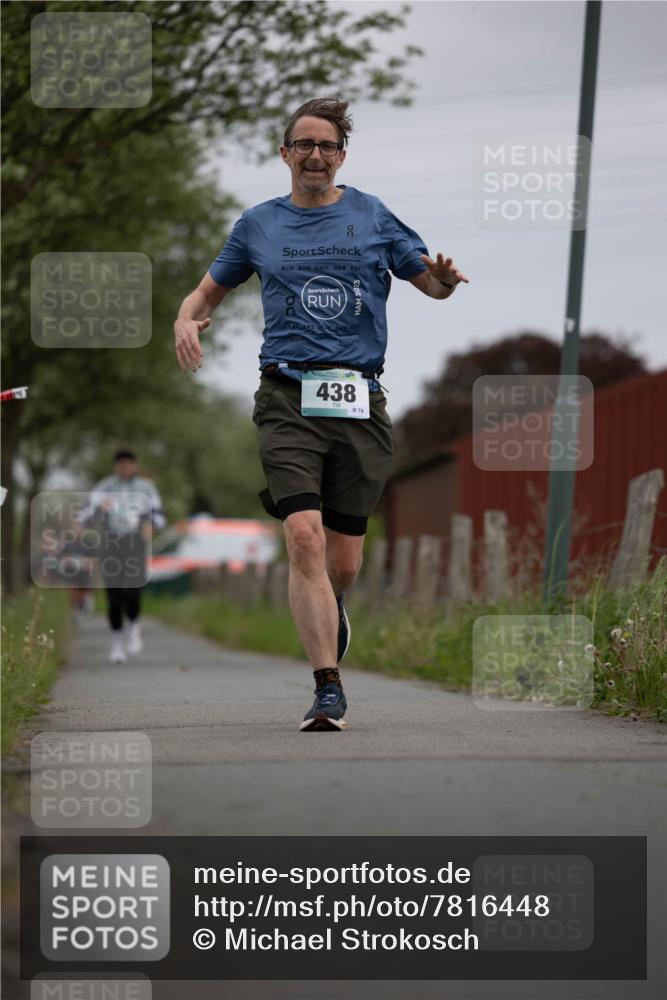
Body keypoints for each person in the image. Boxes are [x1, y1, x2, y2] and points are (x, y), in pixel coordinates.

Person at [173, 97, 468, 731]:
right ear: (285, 154)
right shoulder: (258, 224)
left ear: (341, 157)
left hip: (359, 399)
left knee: (342, 563)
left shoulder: (373, 214)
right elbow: (207, 291)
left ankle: (331, 604)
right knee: (303, 537)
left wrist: (443, 279)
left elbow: (431, 285)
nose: (315, 155)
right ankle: (327, 686)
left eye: (326, 146)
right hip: (286, 398)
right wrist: (185, 318)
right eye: (303, 144)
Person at [77, 449, 166, 662]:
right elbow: (83, 515)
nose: (125, 468)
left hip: (135, 543)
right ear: (115, 466)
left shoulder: (146, 488)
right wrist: (98, 510)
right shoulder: (104, 487)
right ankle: (117, 644)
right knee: (114, 596)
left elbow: (160, 516)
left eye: (129, 464)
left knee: (133, 593)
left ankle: (133, 625)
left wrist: (151, 526)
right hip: (111, 544)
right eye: (121, 464)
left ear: (135, 465)